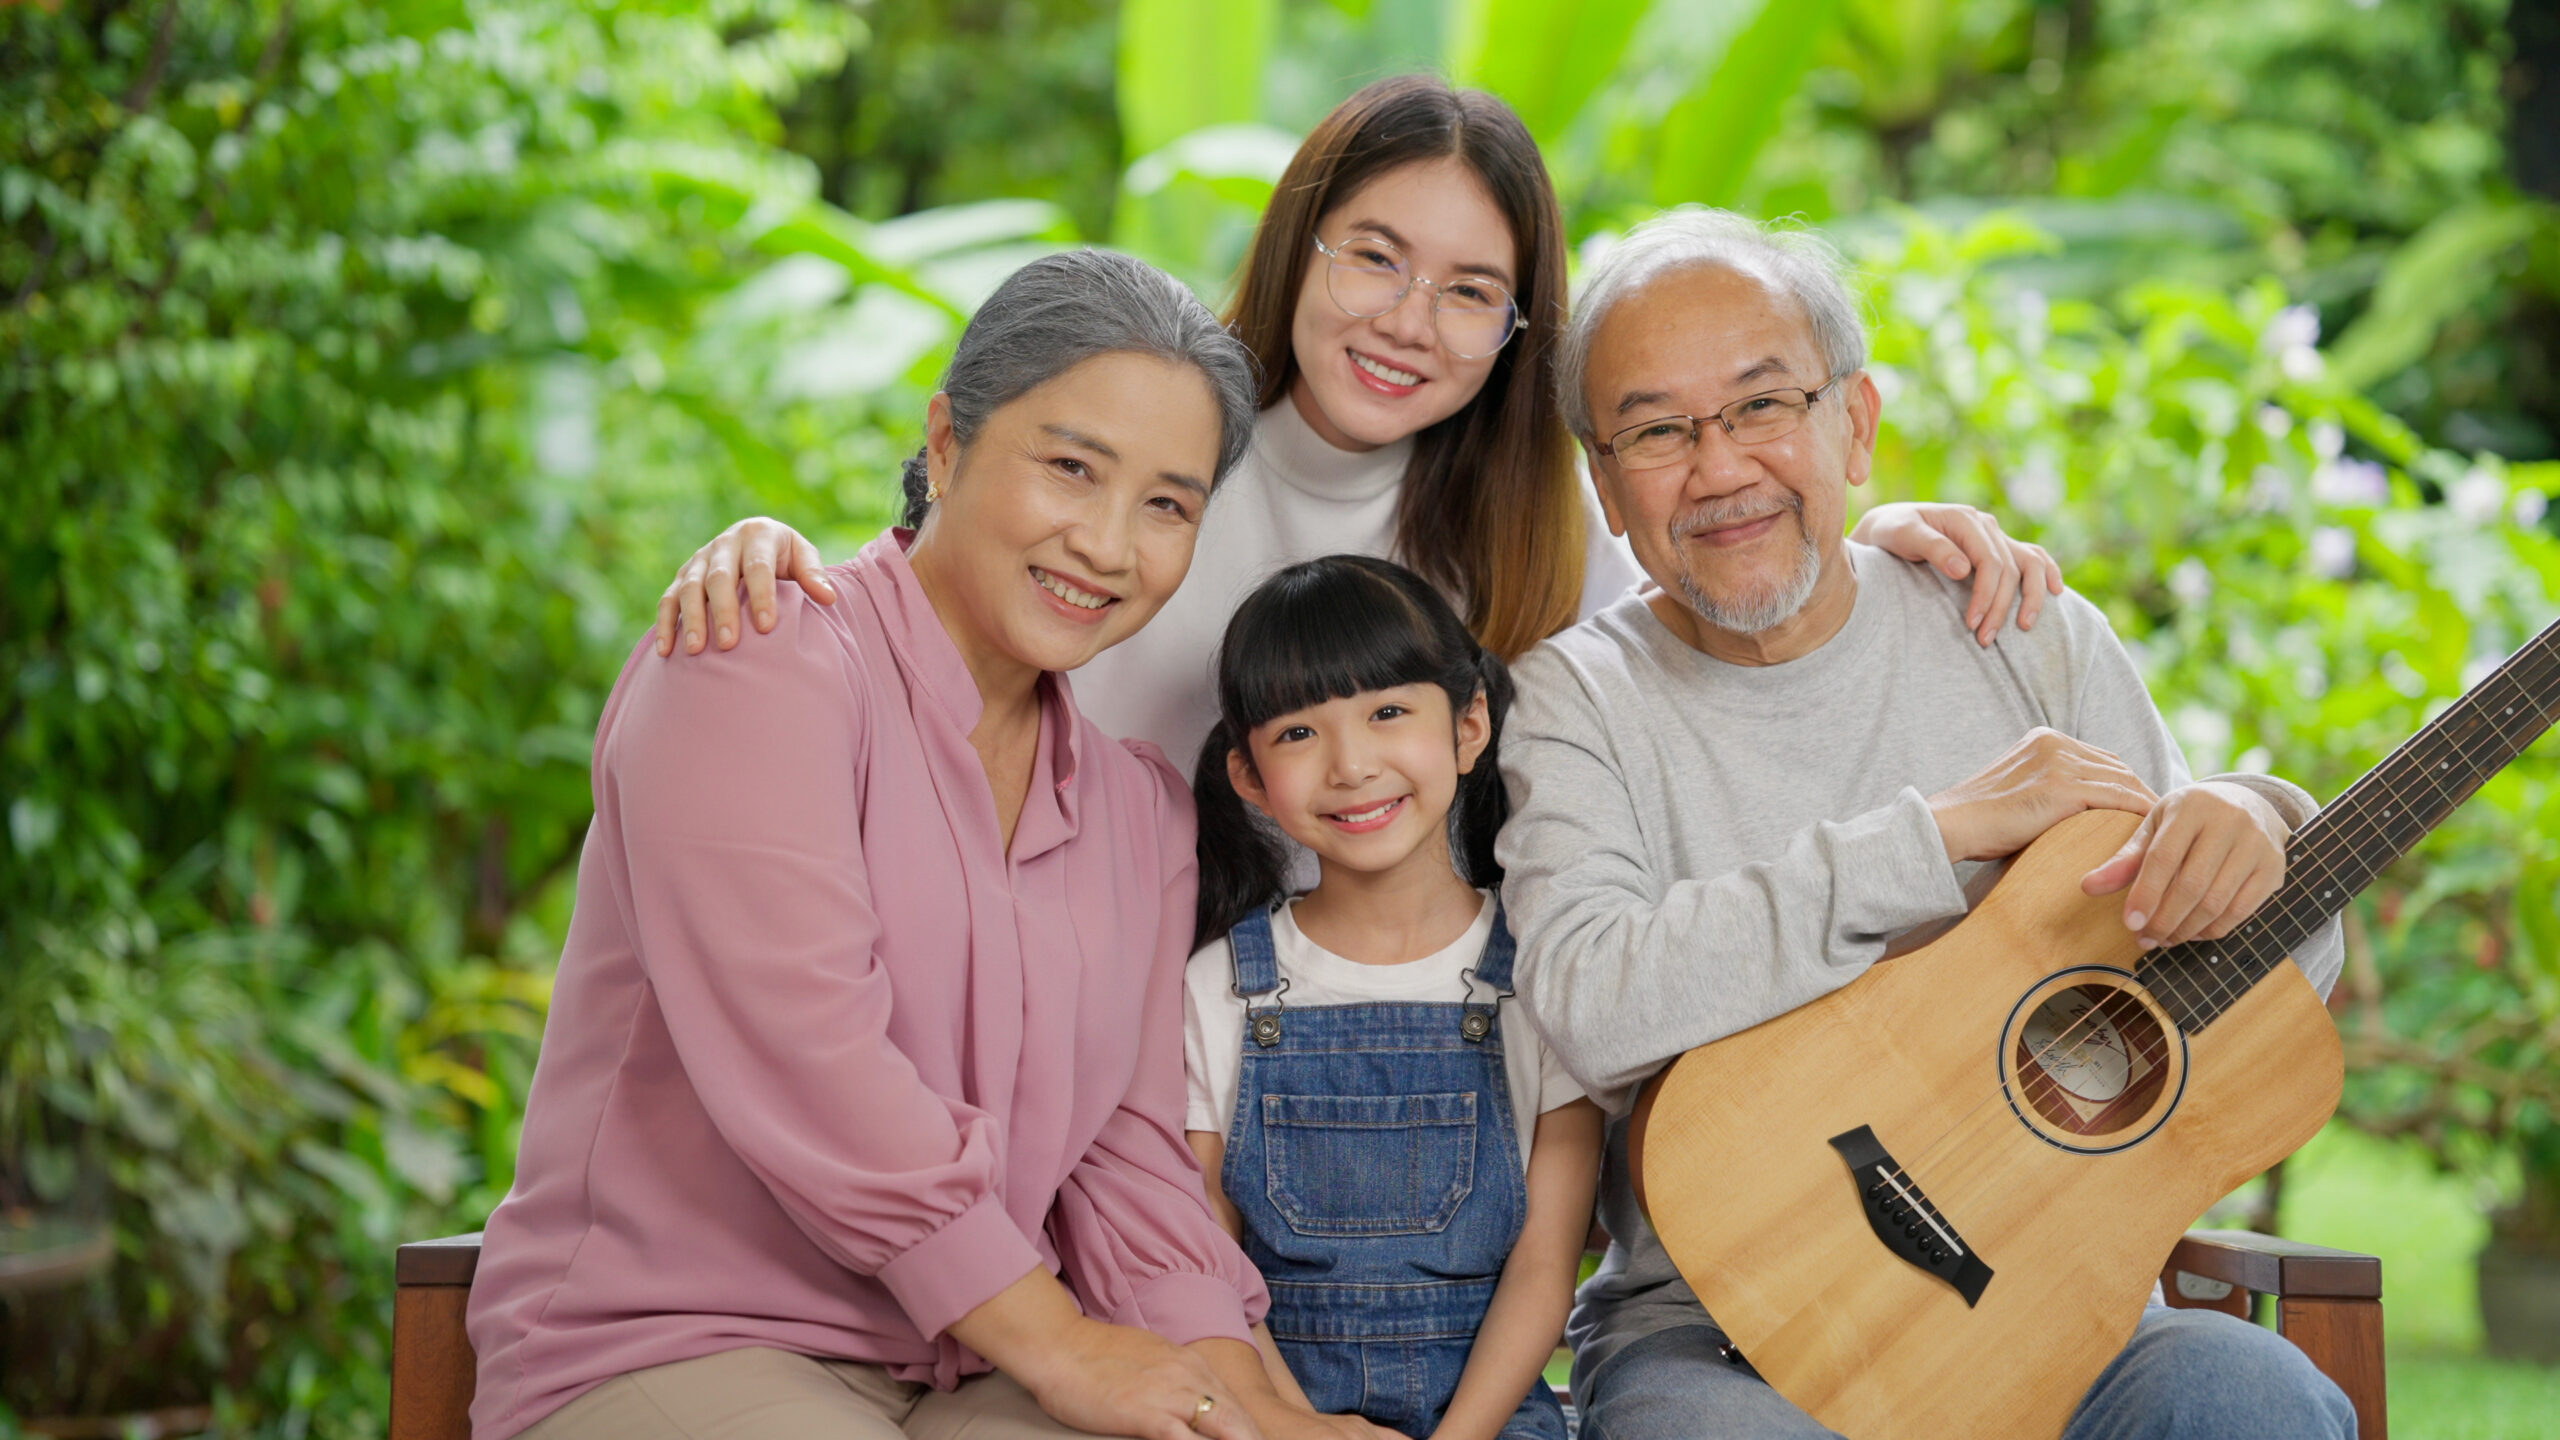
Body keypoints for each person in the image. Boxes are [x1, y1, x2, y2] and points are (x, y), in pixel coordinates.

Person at [465, 250, 1381, 1440]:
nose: (1108, 544)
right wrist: (1064, 1349)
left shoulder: (1134, 810)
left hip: (965, 1366)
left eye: (1167, 504)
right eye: (1069, 468)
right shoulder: (759, 659)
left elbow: (1127, 1165)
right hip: (679, 1339)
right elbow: (817, 1066)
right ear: (945, 444)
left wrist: (1270, 1415)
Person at [1498, 207, 2356, 1439]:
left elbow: (2258, 984)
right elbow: (1590, 1002)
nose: (1719, 466)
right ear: (1605, 485)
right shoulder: (1575, 699)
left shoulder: (2019, 626)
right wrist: (1937, 836)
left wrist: (2254, 819)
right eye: (1656, 430)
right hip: (1721, 1327)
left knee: (2249, 1396)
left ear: (1853, 424)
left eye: (1760, 406)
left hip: (2058, 1299)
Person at [648, 75, 2065, 775]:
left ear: (1518, 335)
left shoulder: (1542, 522)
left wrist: (1870, 534)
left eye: (1470, 291)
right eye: (1373, 256)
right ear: (1296, 244)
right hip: (1093, 1027)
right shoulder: (1156, 445)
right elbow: (927, 592)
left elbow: (1725, 611)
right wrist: (769, 554)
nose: (1407, 322)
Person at [1182, 556, 1603, 1440]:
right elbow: (1207, 1262)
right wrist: (1302, 1431)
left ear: (1469, 724)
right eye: (1298, 734)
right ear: (1248, 776)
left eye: (1387, 713)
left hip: (1488, 1419)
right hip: (1270, 1414)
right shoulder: (1217, 986)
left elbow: (1544, 1268)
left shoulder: (1544, 974)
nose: (1351, 764)